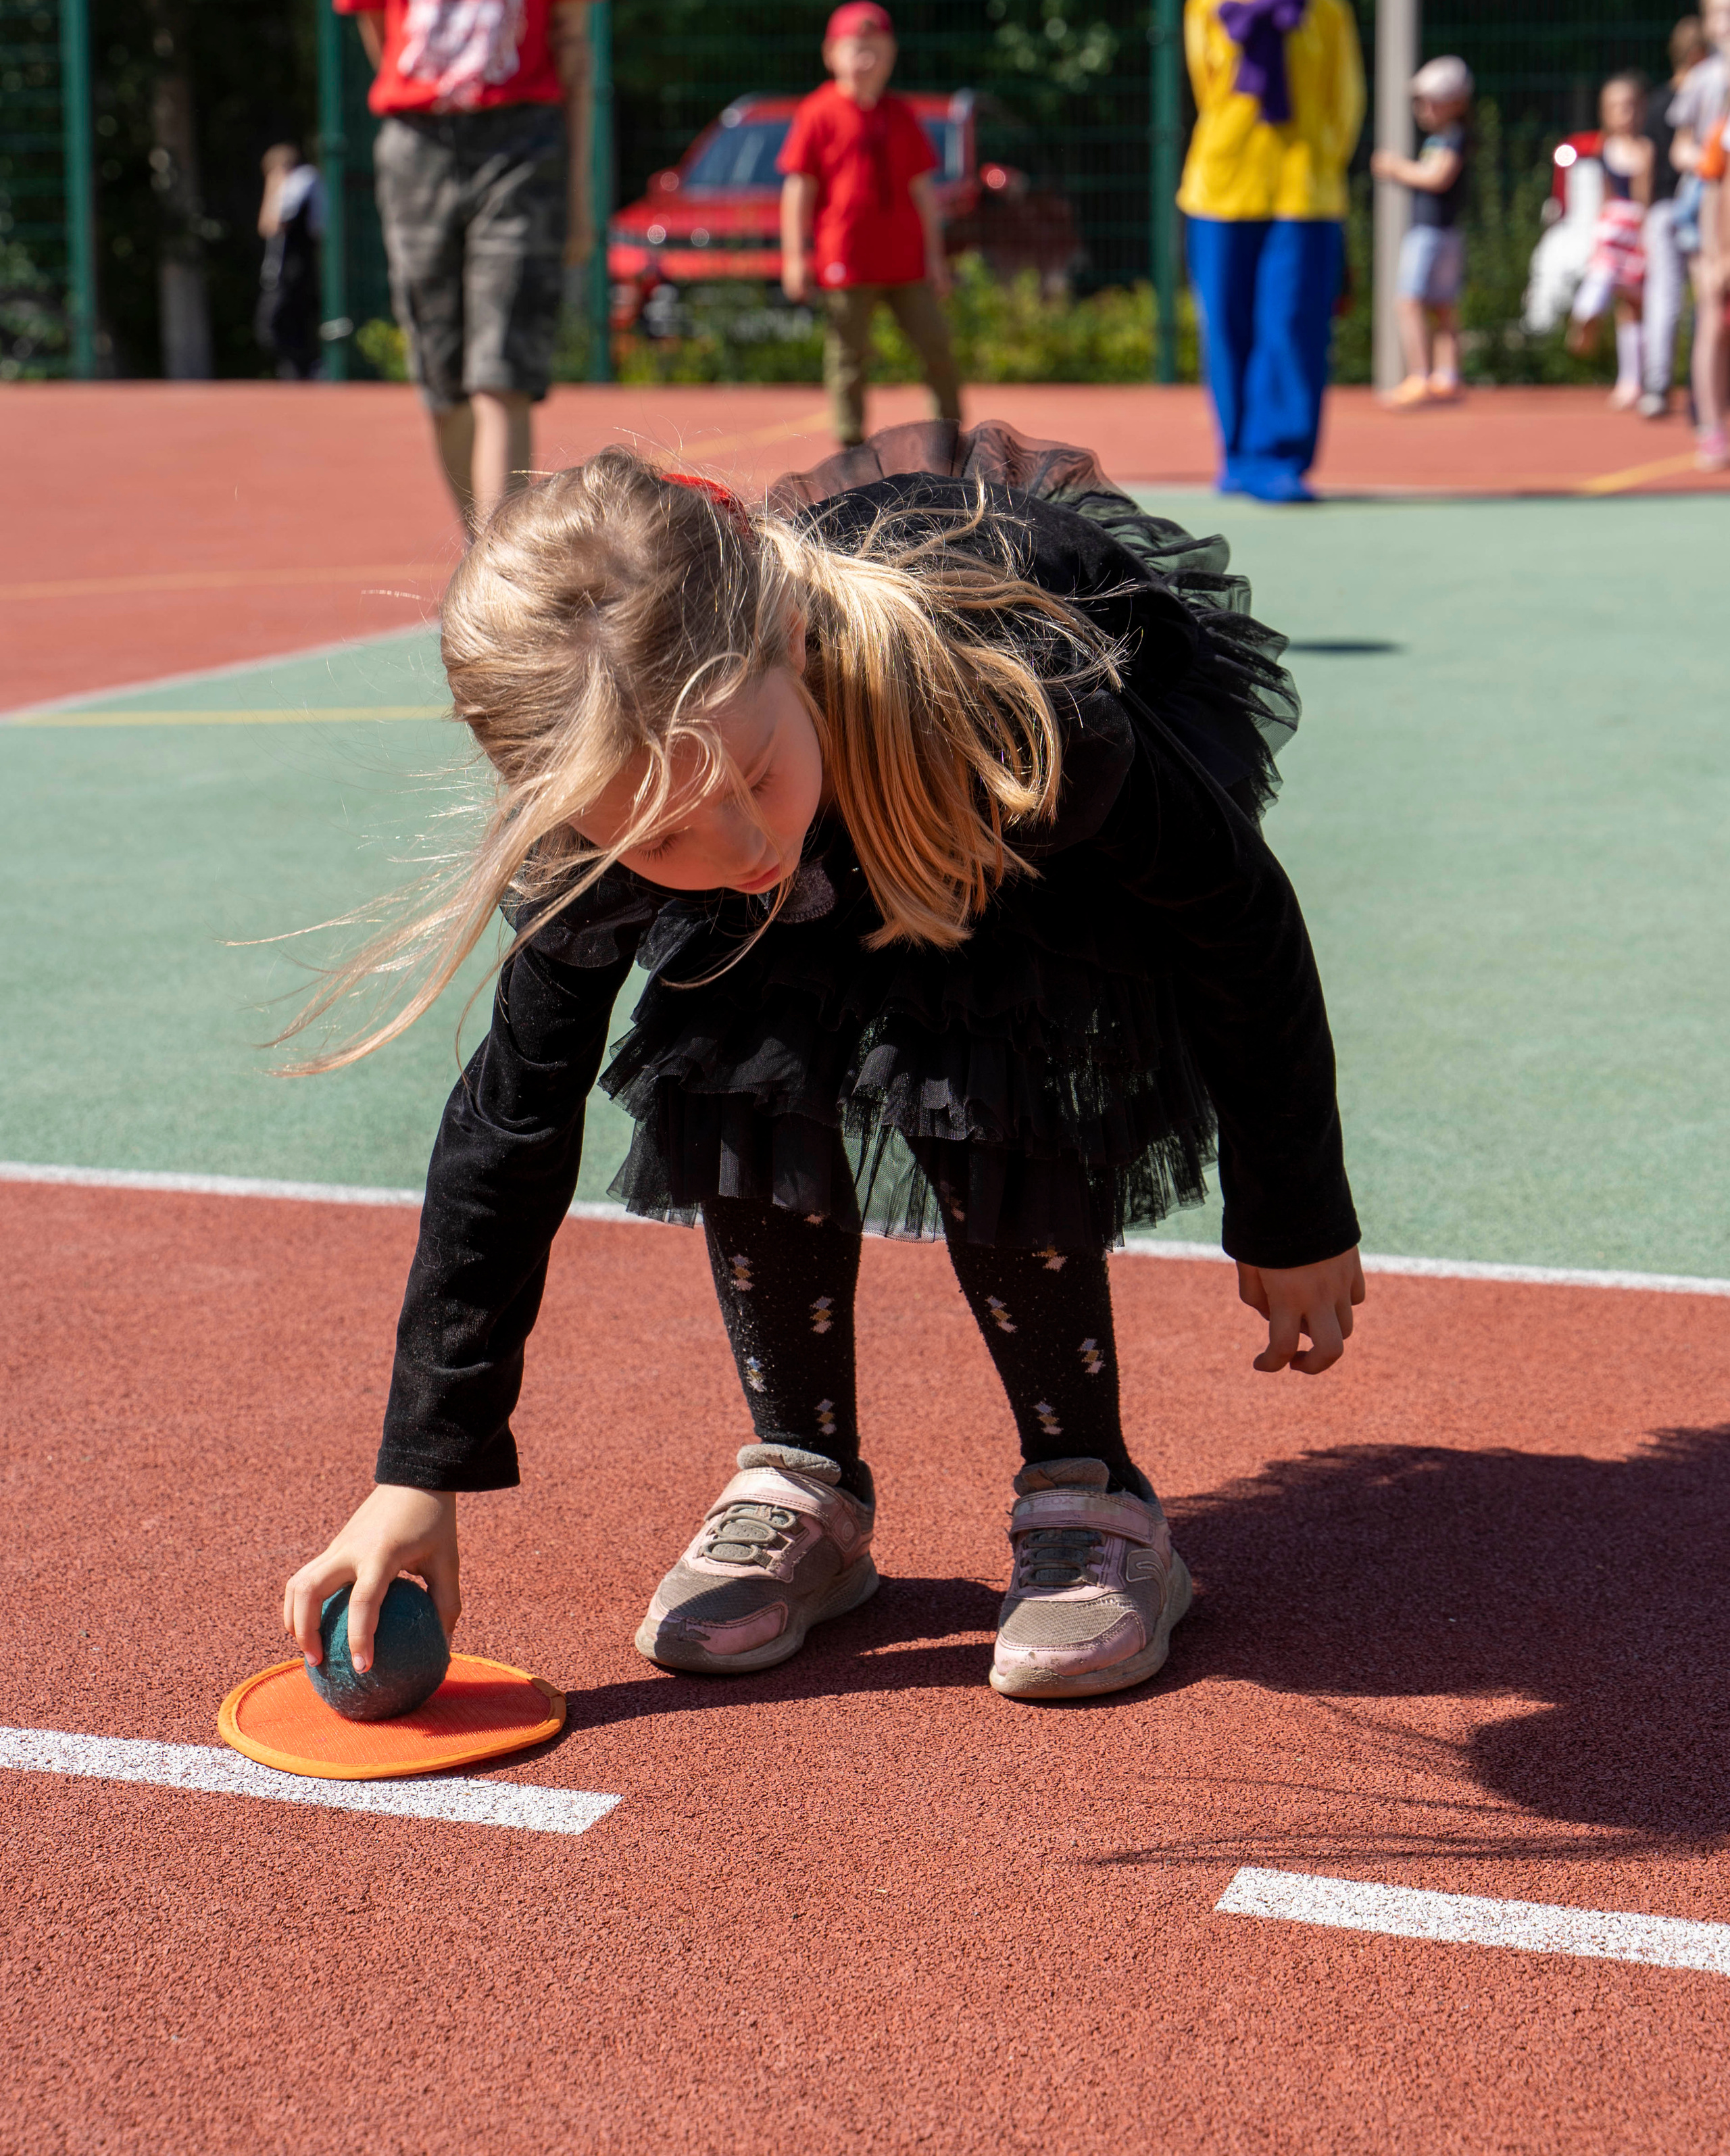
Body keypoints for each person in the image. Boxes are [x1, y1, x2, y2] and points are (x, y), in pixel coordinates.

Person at [279, 420, 1364, 1709]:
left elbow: (1240, 921)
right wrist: (419, 1471)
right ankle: (806, 1479)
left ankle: (1088, 1488)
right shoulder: (601, 834)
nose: (740, 845)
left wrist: (1294, 1210)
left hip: (983, 794)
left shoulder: (1022, 714)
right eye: (663, 837)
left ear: (788, 642)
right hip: (846, 777)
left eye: (752, 774)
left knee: (980, 1068)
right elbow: (511, 1124)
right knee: (732, 1057)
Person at [335, 0, 606, 532]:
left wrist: (578, 192)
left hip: (521, 143)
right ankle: (481, 548)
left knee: (502, 375)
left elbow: (575, 54)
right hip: (417, 147)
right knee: (444, 380)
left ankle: (504, 574)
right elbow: (379, 32)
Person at [1179, 0, 1364, 504]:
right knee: (1226, 326)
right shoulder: (1205, 5)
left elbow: (1346, 102)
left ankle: (1278, 456)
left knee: (1291, 324)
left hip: (1303, 193)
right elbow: (1207, 91)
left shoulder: (1329, 10)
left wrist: (1318, 164)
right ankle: (1237, 452)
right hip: (1220, 189)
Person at [778, 1, 962, 449]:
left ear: (891, 56)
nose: (866, 60)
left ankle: (950, 436)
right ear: (831, 55)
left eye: (876, 50)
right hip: (846, 259)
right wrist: (794, 257)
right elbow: (798, 191)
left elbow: (923, 193)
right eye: (856, 49)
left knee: (936, 345)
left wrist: (936, 259)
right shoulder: (817, 112)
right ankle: (850, 444)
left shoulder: (901, 114)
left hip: (906, 261)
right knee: (848, 355)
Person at [1369, 55, 1473, 408]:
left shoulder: (1453, 139)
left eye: (1434, 101)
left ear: (1457, 103)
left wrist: (1395, 169)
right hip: (1440, 234)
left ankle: (1421, 377)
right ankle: (1446, 377)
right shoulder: (1441, 139)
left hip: (1433, 234)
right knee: (1442, 305)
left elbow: (1437, 178)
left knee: (1409, 302)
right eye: (1422, 101)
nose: (1425, 109)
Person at [1669, 0, 1730, 468]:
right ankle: (1712, 427)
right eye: (1719, 12)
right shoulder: (1704, 80)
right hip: (1707, 209)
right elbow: (1681, 148)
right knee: (1713, 314)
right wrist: (1707, 160)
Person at [1566, 74, 1653, 408]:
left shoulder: (1646, 150)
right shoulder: (1604, 149)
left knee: (1633, 307)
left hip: (1638, 231)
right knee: (1602, 278)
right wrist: (1599, 232)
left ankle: (1636, 380)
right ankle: (1586, 315)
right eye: (1617, 107)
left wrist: (1645, 238)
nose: (1625, 114)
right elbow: (1604, 196)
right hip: (1612, 232)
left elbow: (1644, 198)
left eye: (1631, 106)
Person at [1637, 17, 1707, 418]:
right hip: (1698, 209)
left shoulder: (1658, 101)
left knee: (1664, 297)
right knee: (1704, 298)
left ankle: (1658, 385)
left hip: (1664, 208)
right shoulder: (1707, 97)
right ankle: (1699, 387)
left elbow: (1646, 162)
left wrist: (1645, 212)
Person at [254, 143, 326, 381]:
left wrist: (273, 187)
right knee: (290, 326)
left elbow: (272, 225)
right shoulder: (304, 182)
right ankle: (298, 374)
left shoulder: (301, 181)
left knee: (273, 325)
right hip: (290, 269)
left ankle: (304, 373)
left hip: (295, 269)